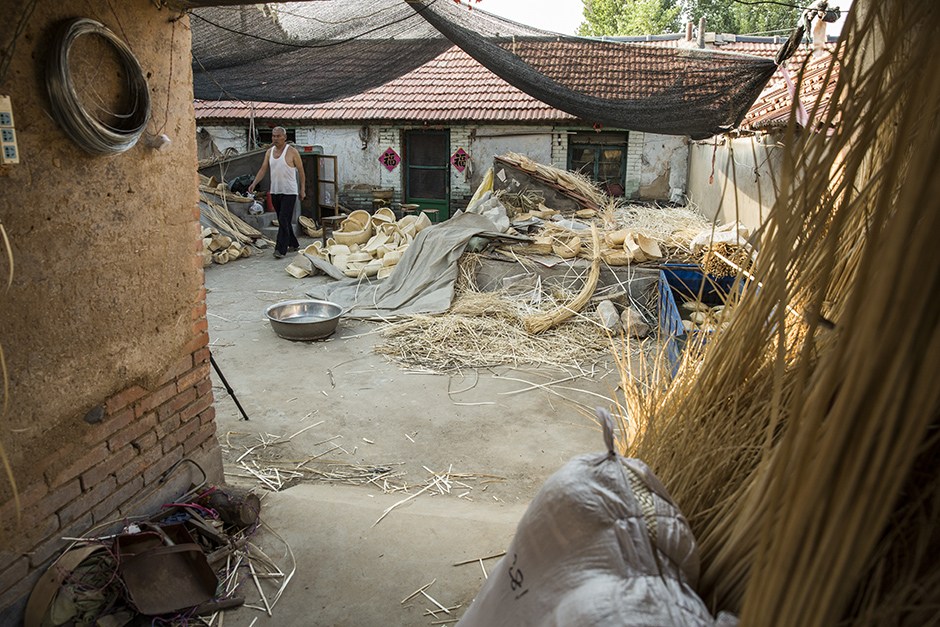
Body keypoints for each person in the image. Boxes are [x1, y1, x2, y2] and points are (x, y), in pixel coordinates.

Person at [248, 127, 306, 259]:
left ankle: (280, 249)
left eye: (278, 136)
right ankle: (294, 243)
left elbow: (301, 171)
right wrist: (254, 183)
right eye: (273, 136)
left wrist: (302, 189)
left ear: (285, 137)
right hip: (275, 191)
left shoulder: (292, 152)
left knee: (284, 219)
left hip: (289, 192)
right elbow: (263, 169)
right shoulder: (269, 152)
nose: (275, 139)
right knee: (282, 220)